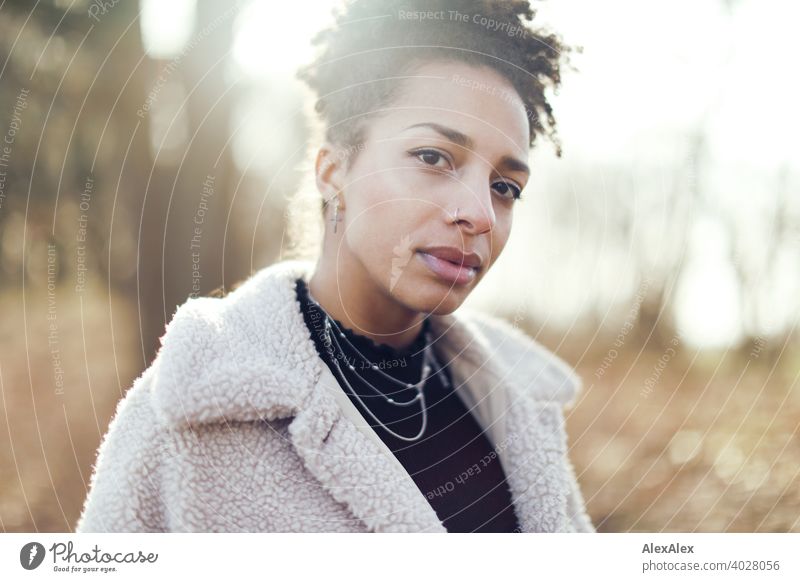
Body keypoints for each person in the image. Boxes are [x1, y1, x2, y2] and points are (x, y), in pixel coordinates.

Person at [76, 0, 594, 533]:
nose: (481, 214)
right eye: (433, 157)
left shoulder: (522, 408)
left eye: (505, 188)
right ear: (332, 171)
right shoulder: (188, 419)